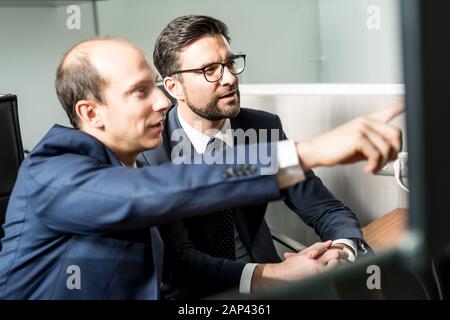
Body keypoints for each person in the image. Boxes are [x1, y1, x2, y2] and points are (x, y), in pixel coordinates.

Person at [0, 37, 402, 299]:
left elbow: (172, 266)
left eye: (153, 87)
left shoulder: (130, 166)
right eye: (140, 92)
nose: (161, 102)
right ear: (91, 113)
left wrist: (279, 275)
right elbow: (161, 192)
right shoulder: (51, 172)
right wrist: (309, 151)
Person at [142, 15, 403, 299]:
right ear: (173, 87)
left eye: (229, 63)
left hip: (268, 280)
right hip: (197, 294)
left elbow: (323, 208)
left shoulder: (261, 129)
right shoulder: (152, 152)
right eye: (209, 70)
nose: (230, 78)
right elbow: (180, 262)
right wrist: (270, 276)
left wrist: (341, 249)